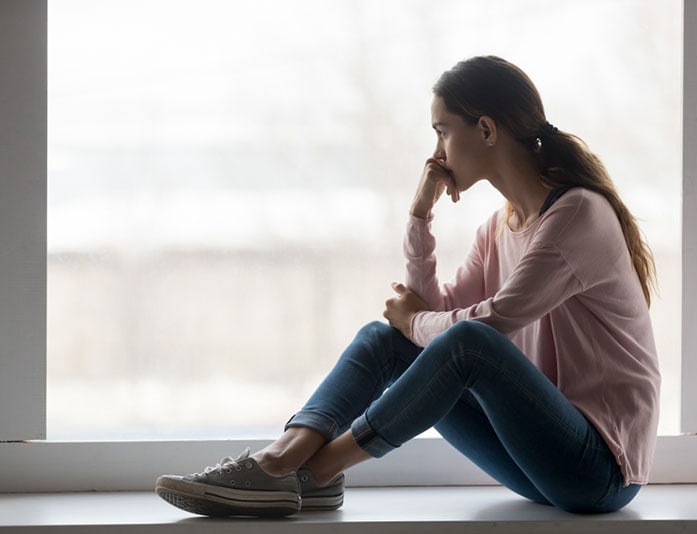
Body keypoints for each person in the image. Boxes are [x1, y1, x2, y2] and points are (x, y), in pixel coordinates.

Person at [156, 55, 660, 517]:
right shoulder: (498, 227)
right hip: (537, 460)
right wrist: (421, 215)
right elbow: (431, 313)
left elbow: (491, 323)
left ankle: (311, 472)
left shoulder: (576, 214)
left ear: (485, 129)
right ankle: (284, 458)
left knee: (464, 341)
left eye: (442, 132)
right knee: (386, 339)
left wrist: (416, 320)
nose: (436, 152)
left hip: (599, 469)